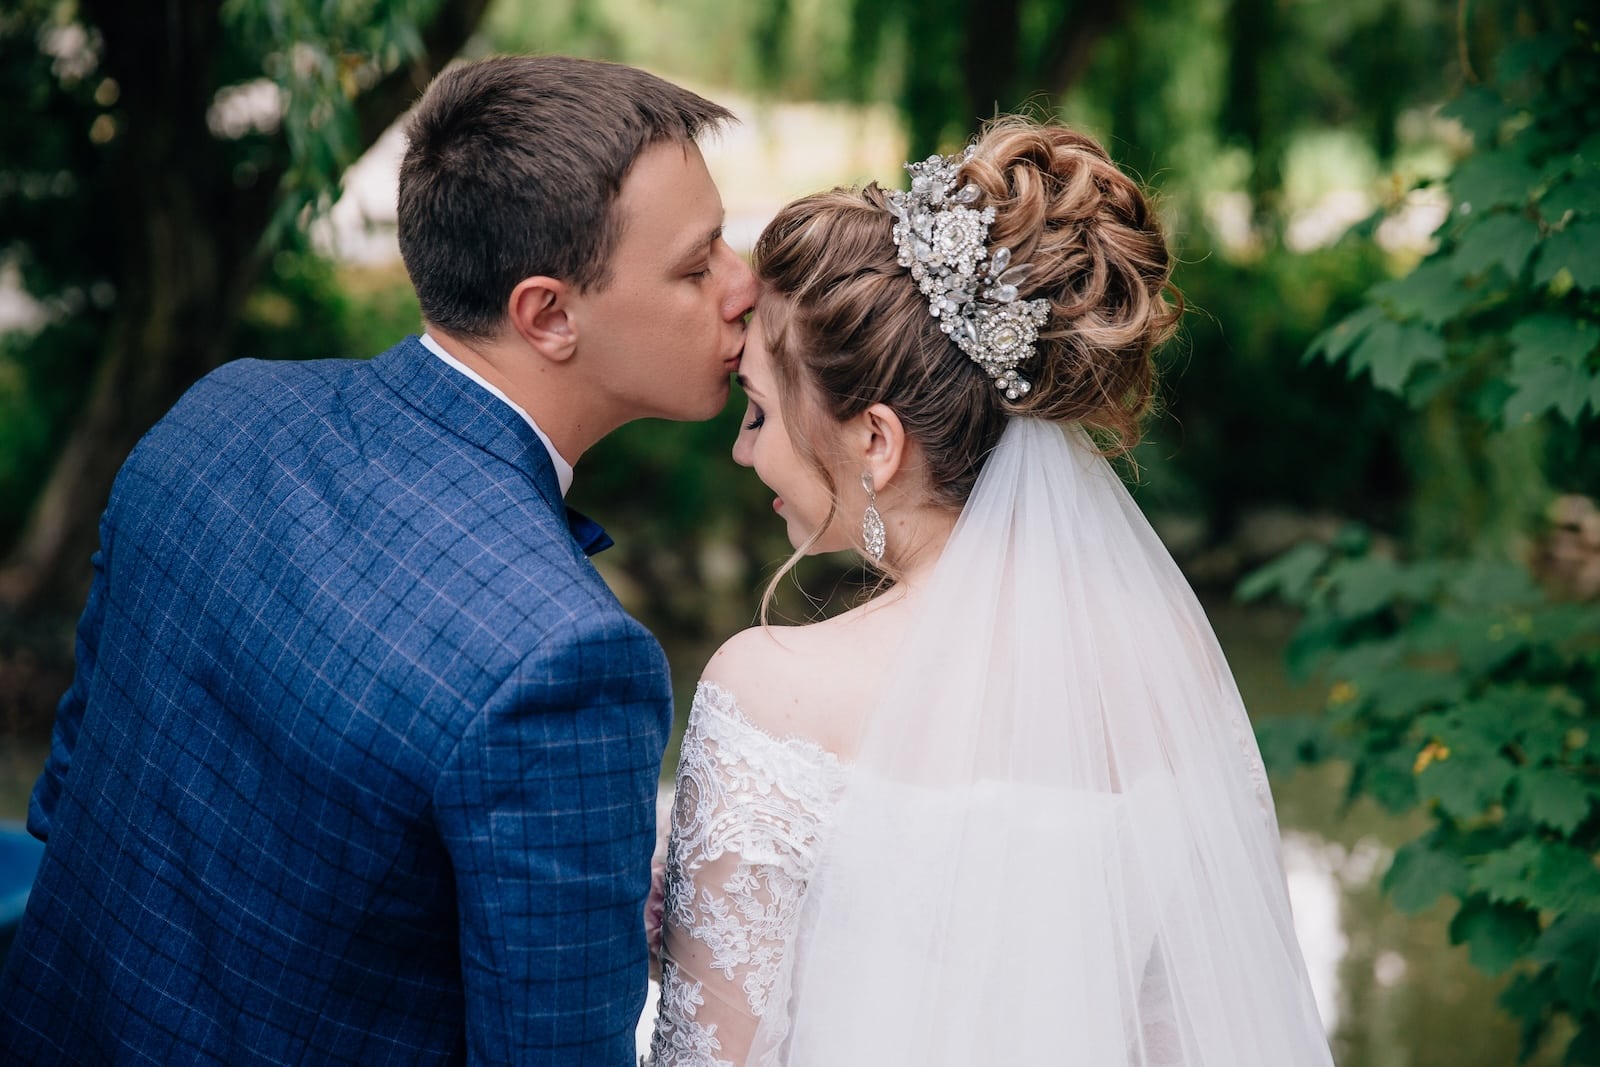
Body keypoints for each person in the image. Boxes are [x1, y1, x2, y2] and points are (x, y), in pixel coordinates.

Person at [0, 55, 756, 1065]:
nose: (744, 284)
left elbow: (68, 800)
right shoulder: (568, 660)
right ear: (548, 314)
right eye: (696, 263)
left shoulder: (220, 414)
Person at [645, 117, 1335, 1066]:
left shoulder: (772, 691)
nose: (743, 448)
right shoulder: (1160, 664)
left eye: (760, 412)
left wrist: (686, 925)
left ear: (877, 441)